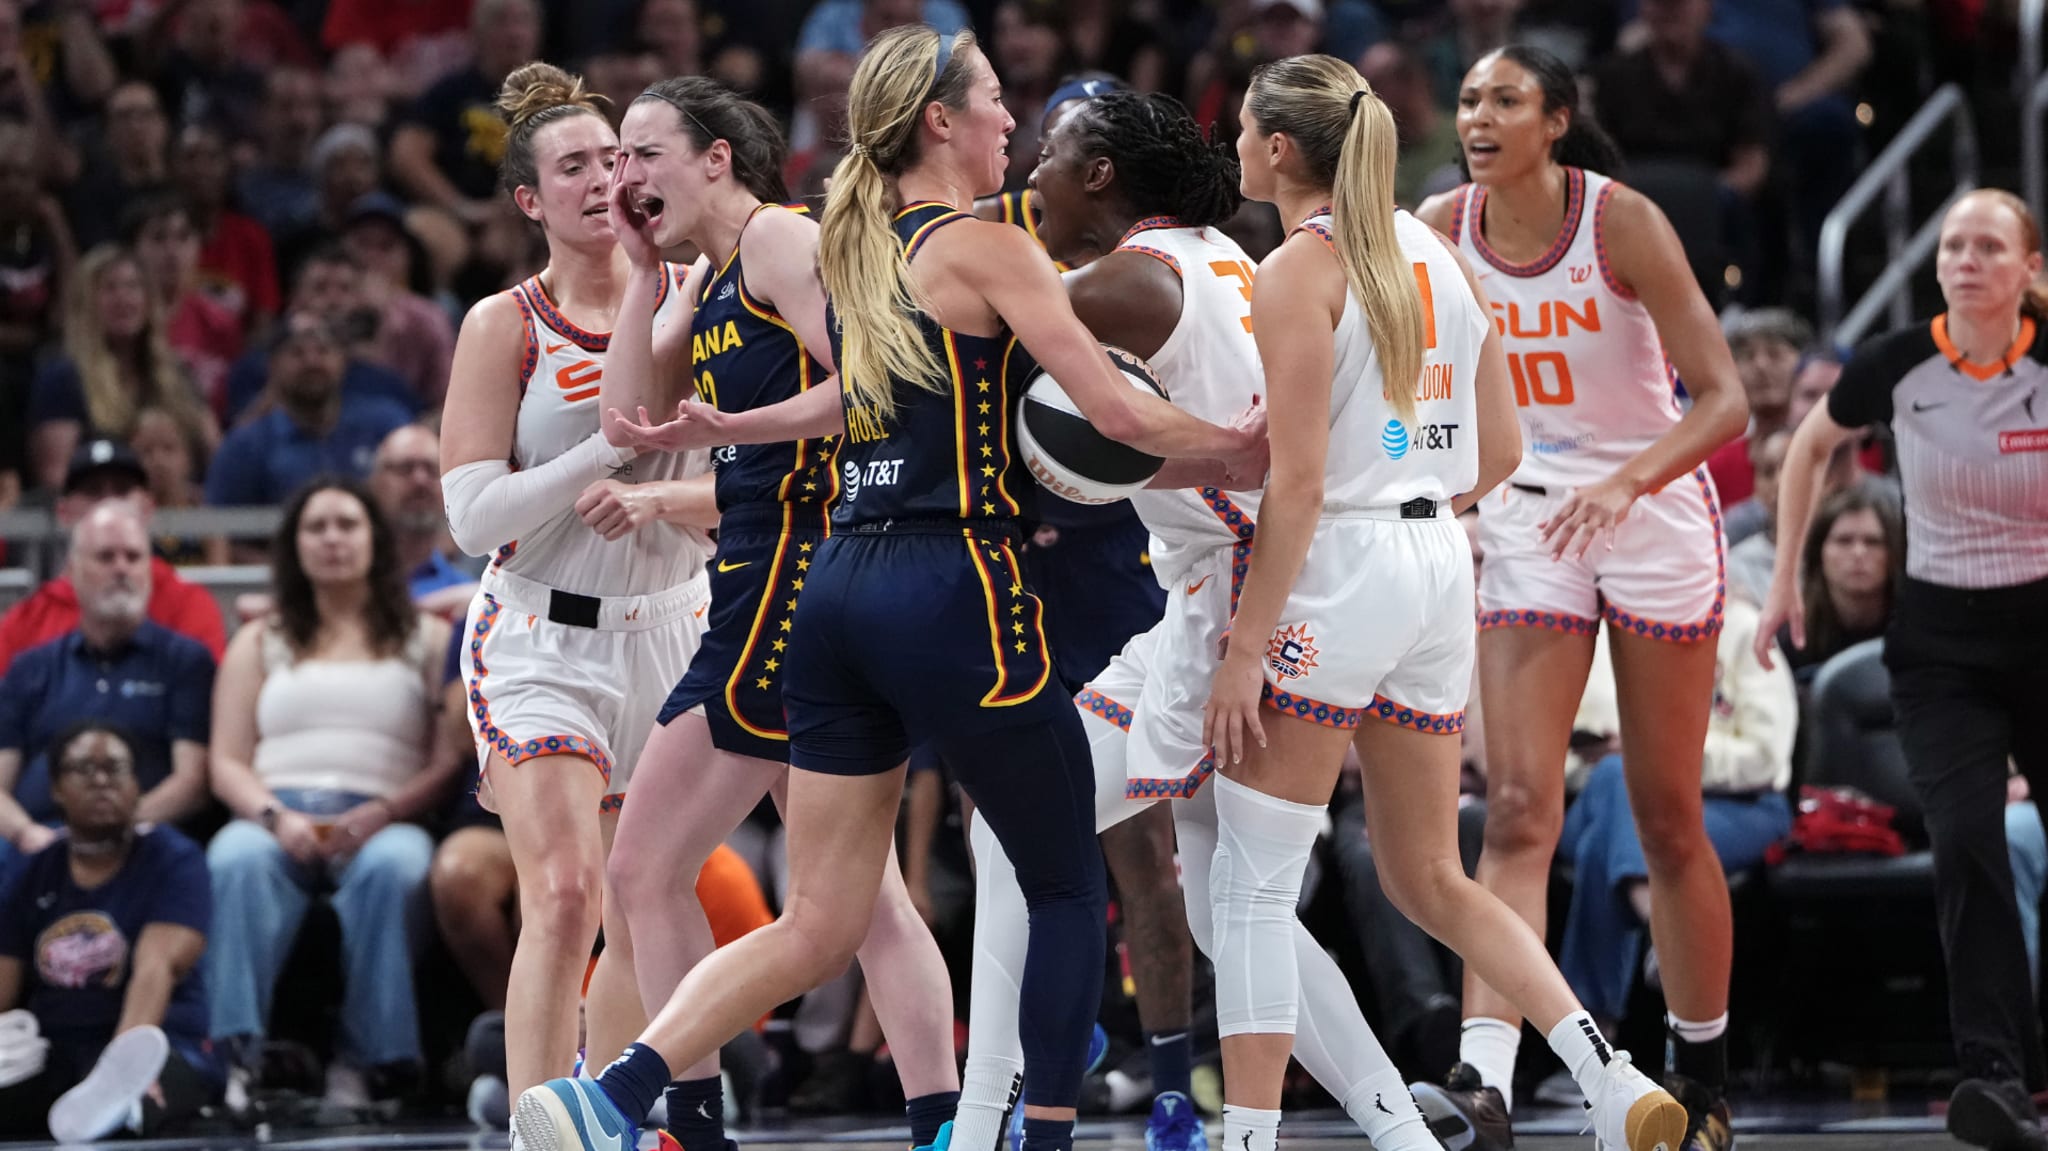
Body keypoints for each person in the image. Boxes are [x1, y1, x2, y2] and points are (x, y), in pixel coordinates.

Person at [520, 25, 1263, 1151]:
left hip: (834, 590)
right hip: (951, 575)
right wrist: (1242, 448)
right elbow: (1113, 417)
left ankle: (613, 1092)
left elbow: (851, 401)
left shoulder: (863, 254)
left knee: (822, 913)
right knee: (1063, 883)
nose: (1011, 120)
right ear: (940, 123)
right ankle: (1041, 1135)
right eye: (995, 102)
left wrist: (733, 424)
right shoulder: (982, 251)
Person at [1219, 52, 1687, 1151]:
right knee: (1428, 870)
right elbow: (1503, 449)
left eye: (1241, 129)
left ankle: (1240, 1135)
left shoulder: (1295, 270)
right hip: (1438, 563)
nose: (1231, 147)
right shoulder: (1437, 248)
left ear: (1281, 149)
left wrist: (1246, 645)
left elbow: (1292, 482)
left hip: (1338, 564)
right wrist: (1408, 484)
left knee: (1249, 883)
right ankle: (1607, 1076)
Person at [962, 85, 1442, 1151]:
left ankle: (982, 1109)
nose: (1028, 174)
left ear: (1098, 176)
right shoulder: (1218, 251)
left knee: (1014, 822)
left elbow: (967, 328)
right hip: (1236, 576)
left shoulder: (1129, 280)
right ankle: (1400, 1122)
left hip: (1233, 582)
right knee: (1240, 905)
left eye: (1048, 152)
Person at [599, 74, 961, 1151]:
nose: (624, 175)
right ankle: (942, 1119)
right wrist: (636, 276)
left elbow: (878, 382)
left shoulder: (779, 243)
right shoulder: (704, 275)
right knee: (862, 896)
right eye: (616, 156)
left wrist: (741, 425)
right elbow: (632, 420)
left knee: (643, 867)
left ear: (718, 157)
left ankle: (692, 1125)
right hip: (759, 578)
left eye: (644, 151)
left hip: (797, 582)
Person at [1411, 43, 1751, 1150]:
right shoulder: (1439, 224)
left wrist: (1624, 479)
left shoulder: (1619, 222)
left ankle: (1700, 1077)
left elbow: (1726, 400)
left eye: (1504, 99)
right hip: (1527, 513)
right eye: (1467, 98)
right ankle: (1484, 1079)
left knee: (1664, 814)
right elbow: (1421, 385)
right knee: (1515, 808)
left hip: (1646, 504)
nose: (1478, 115)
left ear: (1554, 120)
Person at [437, 61, 718, 1111]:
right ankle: (534, 1120)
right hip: (540, 637)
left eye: (618, 156)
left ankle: (606, 1111)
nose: (603, 178)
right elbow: (470, 515)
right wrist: (596, 457)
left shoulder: (705, 290)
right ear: (529, 198)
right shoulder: (502, 323)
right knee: (562, 894)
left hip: (674, 627)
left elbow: (751, 476)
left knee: (647, 898)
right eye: (574, 166)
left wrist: (662, 498)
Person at [1755, 188, 2048, 1151]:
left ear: (2029, 269)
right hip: (1940, 648)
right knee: (1967, 839)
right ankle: (1996, 1074)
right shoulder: (1899, 361)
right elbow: (1808, 447)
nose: (1966, 260)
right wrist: (1787, 576)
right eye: (1953, 244)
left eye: (1989, 245)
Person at [204, 478, 454, 1107]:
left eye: (348, 524)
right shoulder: (259, 640)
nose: (333, 538)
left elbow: (448, 759)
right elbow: (226, 761)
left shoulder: (426, 637)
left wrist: (387, 812)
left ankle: (374, 1065)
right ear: (295, 546)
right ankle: (237, 1059)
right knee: (234, 859)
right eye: (316, 527)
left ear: (376, 539)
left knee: (396, 868)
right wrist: (274, 815)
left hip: (385, 814)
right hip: (275, 813)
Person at [0, 722, 218, 1143]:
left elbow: (158, 967)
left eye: (115, 769)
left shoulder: (173, 859)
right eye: (83, 769)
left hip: (154, 1043)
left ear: (137, 785)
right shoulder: (33, 868)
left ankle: (123, 1101)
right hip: (56, 1049)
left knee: (129, 1116)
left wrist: (124, 1068)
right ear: (57, 788)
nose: (101, 780)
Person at [0, 502, 214, 876]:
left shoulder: (186, 661)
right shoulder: (30, 668)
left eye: (133, 557)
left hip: (144, 839)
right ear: (73, 571)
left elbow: (192, 782)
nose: (121, 568)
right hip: (35, 841)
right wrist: (24, 833)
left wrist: (105, 831)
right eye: (105, 557)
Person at [0, 440, 227, 674]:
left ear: (148, 507)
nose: (108, 502)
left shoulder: (186, 605)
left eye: (122, 490)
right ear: (63, 512)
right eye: (92, 490)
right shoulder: (27, 622)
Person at [1775, 481, 1900, 683]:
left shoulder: (1915, 630)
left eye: (1873, 542)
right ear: (1819, 554)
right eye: (1844, 541)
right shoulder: (1793, 637)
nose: (1858, 553)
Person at [368, 424, 478, 614]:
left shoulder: (469, 598)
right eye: (405, 468)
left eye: (432, 470)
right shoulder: (345, 581)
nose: (420, 480)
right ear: (375, 482)